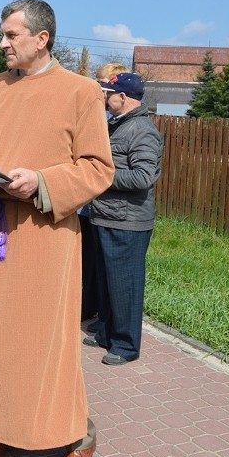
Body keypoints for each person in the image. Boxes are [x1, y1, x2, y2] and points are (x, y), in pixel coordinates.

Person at [0, 0, 114, 457]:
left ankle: (75, 437)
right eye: (2, 35)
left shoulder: (81, 92)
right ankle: (2, 426)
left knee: (48, 341)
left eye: (10, 35)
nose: (1, 43)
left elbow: (97, 168)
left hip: (44, 236)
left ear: (41, 38)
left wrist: (41, 182)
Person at [83, 73, 163, 365]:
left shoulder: (142, 131)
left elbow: (143, 177)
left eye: (109, 94)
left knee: (125, 285)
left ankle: (126, 346)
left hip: (128, 223)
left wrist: (101, 176)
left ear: (123, 97)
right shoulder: (117, 125)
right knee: (106, 283)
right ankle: (105, 332)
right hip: (105, 216)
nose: (106, 98)